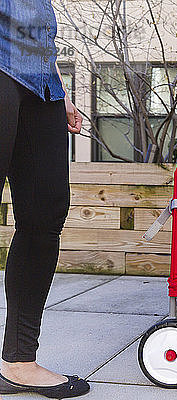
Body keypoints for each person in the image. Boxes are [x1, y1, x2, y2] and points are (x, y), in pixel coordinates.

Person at [0, 1, 90, 398]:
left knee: (44, 215)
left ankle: (19, 361)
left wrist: (61, 90)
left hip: (41, 82)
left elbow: (37, 25)